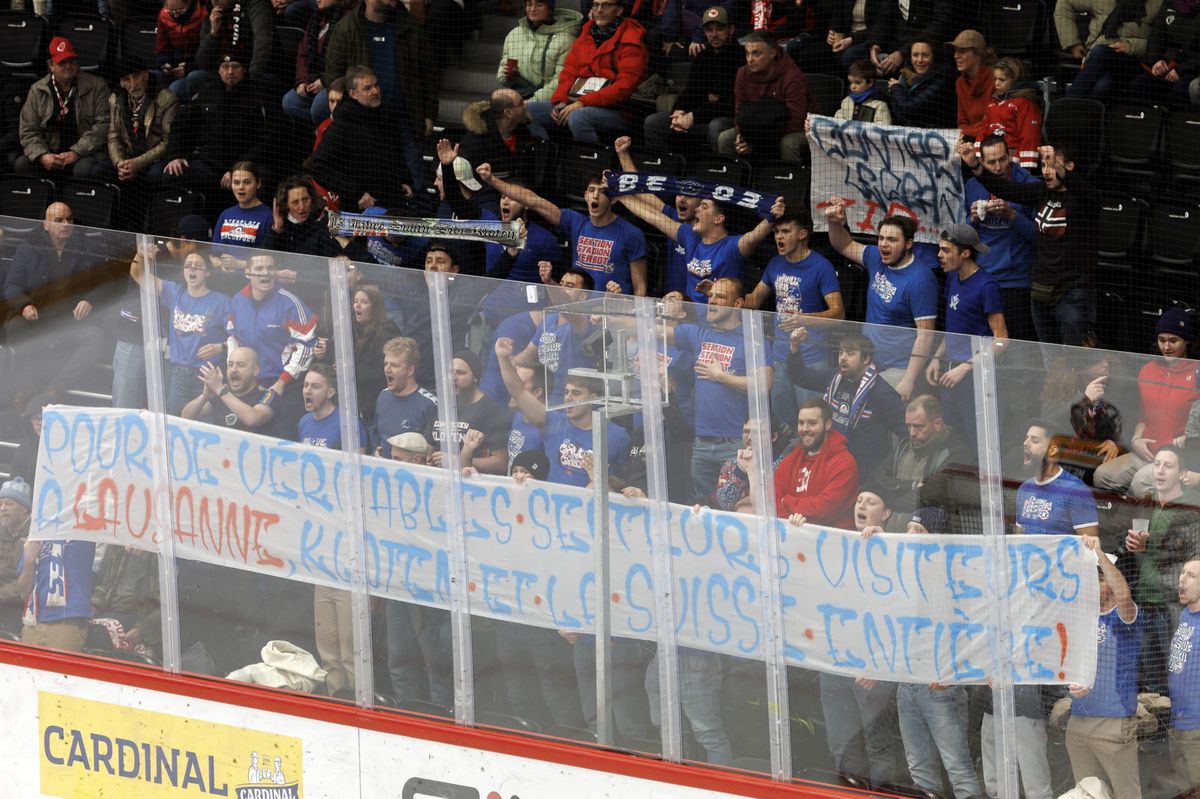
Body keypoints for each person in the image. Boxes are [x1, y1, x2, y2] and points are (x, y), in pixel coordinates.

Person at [961, 141, 1103, 347]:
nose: (1046, 171)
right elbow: (1004, 188)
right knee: (1048, 360)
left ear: (1068, 167)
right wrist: (975, 165)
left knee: (1074, 363)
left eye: (1052, 165)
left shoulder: (1086, 199)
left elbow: (1084, 191)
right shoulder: (1041, 191)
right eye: (1044, 166)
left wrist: (1058, 168)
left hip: (1072, 294)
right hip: (1040, 292)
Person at [613, 142, 783, 302]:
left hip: (718, 319)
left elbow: (755, 236)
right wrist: (619, 194)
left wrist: (772, 216)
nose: (697, 210)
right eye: (679, 194)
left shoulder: (733, 247)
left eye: (703, 206)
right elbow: (651, 214)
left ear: (719, 218)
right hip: (685, 310)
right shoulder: (690, 235)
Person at [824, 199, 938, 401]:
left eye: (892, 240)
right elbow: (845, 245)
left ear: (909, 243)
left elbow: (926, 335)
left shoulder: (921, 279)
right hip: (870, 363)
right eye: (882, 238)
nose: (884, 244)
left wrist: (909, 379)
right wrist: (834, 223)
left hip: (898, 368)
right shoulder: (877, 257)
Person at [478, 162, 648, 295]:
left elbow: (640, 288)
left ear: (613, 199)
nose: (595, 195)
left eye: (602, 192)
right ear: (585, 196)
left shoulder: (631, 234)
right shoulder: (575, 222)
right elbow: (533, 201)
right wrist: (492, 180)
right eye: (591, 190)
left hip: (612, 311)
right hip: (578, 307)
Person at [3, 202, 110, 400]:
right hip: (37, 321)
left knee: (95, 337)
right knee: (15, 326)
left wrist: (89, 300)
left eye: (69, 219)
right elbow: (12, 286)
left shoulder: (87, 248)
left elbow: (107, 283)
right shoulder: (28, 248)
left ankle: (54, 388)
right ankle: (26, 389)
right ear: (46, 224)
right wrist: (25, 305)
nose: (66, 224)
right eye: (58, 220)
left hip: (71, 322)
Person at [1065, 536, 1142, 799]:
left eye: (1095, 578)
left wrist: (1098, 554)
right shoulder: (1079, 615)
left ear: (1108, 581)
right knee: (1086, 793)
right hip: (1079, 719)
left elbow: (1123, 595)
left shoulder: (1125, 615)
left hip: (1113, 722)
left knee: (1126, 794)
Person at [1094, 308, 1200, 494]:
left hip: (1176, 456)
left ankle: (1151, 520)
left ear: (1187, 341)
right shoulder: (1148, 369)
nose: (1167, 347)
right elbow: (1143, 413)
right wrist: (1135, 440)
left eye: (1173, 341)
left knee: (1140, 482)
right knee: (1103, 476)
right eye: (1162, 340)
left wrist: (1178, 443)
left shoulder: (1197, 373)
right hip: (1146, 449)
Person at [1122, 444, 1200, 694]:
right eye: (1156, 464)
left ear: (1182, 472)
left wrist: (1149, 541)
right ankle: (1156, 724)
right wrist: (1130, 543)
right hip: (1145, 599)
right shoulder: (1147, 500)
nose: (1160, 471)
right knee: (1151, 675)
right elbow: (1136, 543)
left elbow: (1192, 553)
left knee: (1177, 671)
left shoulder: (1192, 505)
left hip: (1175, 605)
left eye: (1168, 465)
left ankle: (1176, 727)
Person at [925, 223, 1008, 451]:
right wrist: (936, 357)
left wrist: (966, 367)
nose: (939, 256)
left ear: (965, 253)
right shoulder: (952, 277)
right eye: (939, 249)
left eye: (946, 250)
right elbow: (955, 327)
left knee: (977, 440)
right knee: (952, 438)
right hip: (949, 372)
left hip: (975, 377)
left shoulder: (986, 286)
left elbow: (1001, 339)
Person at [527, 0, 649, 143]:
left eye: (606, 5)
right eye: (596, 5)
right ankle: (549, 154)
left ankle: (590, 163)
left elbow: (624, 87)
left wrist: (582, 102)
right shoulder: (585, 35)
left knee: (578, 117)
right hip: (577, 101)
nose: (599, 10)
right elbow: (569, 73)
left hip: (618, 110)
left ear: (619, 10)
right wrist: (560, 101)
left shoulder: (631, 40)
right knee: (527, 110)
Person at [786, 331, 907, 472]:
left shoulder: (882, 393)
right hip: (829, 459)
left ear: (866, 358)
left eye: (850, 353)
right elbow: (800, 376)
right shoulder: (834, 377)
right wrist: (795, 348)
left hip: (863, 470)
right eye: (841, 353)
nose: (843, 358)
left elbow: (906, 430)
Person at [130, 248, 230, 416]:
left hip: (207, 376)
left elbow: (240, 338)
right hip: (178, 375)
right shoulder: (175, 292)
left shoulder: (222, 302)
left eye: (198, 265)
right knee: (176, 422)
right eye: (188, 265)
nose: (192, 269)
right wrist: (140, 256)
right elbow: (137, 275)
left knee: (205, 427)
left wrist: (222, 346)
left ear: (208, 273)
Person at [159, 54, 279, 192]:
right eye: (225, 67)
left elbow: (270, 137)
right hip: (209, 164)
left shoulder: (261, 96)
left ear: (244, 69)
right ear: (219, 70)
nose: (230, 72)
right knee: (172, 173)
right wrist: (175, 156)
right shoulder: (206, 93)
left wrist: (240, 168)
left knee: (262, 180)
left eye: (235, 67)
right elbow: (180, 125)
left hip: (247, 164)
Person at [322, 0, 436, 140]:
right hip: (362, 125)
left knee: (413, 162)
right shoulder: (346, 28)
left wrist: (429, 114)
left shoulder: (411, 27)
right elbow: (335, 78)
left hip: (405, 122)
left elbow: (428, 75)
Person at [965, 134, 1040, 345]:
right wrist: (972, 219)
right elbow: (964, 237)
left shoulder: (1029, 186)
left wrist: (1013, 216)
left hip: (1018, 281)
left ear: (1011, 156)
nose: (998, 167)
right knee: (986, 346)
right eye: (991, 162)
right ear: (981, 162)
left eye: (1002, 159)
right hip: (984, 278)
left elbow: (1039, 237)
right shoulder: (972, 185)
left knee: (1017, 347)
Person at [310, 65, 415, 212]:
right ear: (353, 93)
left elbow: (397, 154)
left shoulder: (388, 117)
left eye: (376, 85)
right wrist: (356, 192)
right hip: (360, 213)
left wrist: (404, 179)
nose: (375, 91)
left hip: (394, 206)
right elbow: (318, 167)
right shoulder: (341, 126)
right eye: (367, 88)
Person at [642, 6, 743, 157]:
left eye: (719, 29)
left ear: (732, 29)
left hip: (725, 118)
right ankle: (663, 168)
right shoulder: (703, 56)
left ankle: (720, 173)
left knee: (716, 126)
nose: (714, 35)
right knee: (653, 122)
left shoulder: (740, 57)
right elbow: (691, 91)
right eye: (709, 30)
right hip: (698, 115)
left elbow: (729, 104)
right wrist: (678, 112)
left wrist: (693, 116)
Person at [16, 38, 111, 179]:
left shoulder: (97, 86)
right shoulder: (37, 90)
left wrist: (76, 152)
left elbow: (104, 125)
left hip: (86, 153)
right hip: (50, 153)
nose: (68, 66)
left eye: (71, 61)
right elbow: (28, 130)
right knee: (22, 164)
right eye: (62, 62)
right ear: (51, 65)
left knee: (84, 169)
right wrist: (42, 155)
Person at [718, 32, 817, 164]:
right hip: (759, 129)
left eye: (756, 53)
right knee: (725, 138)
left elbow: (797, 121)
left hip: (801, 130)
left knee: (789, 143)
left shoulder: (793, 76)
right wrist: (744, 135)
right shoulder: (742, 73)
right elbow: (739, 112)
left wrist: (755, 140)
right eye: (747, 54)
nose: (750, 59)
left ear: (772, 53)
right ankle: (735, 182)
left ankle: (789, 181)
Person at [104, 56, 179, 193]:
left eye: (136, 76)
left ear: (146, 75)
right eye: (127, 79)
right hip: (128, 156)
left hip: (156, 158)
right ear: (121, 83)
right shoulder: (115, 100)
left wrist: (137, 164)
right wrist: (119, 163)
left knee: (154, 175)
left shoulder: (167, 99)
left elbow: (167, 141)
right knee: (101, 170)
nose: (133, 84)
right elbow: (113, 135)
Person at [437, 349, 512, 475]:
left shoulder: (490, 410)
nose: (453, 378)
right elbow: (429, 446)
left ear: (475, 377)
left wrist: (456, 460)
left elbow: (502, 462)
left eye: (460, 373)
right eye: (450, 372)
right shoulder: (443, 405)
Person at [16, 535, 96, 653]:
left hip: (67, 622)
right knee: (26, 671)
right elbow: (23, 593)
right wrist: (29, 561)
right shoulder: (36, 538)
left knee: (58, 670)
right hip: (33, 622)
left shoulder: (82, 535)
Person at [1016, 431, 1101, 538]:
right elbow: (1019, 537)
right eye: (1026, 438)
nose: (1025, 443)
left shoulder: (1076, 490)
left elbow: (1090, 545)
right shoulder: (1025, 488)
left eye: (1034, 440)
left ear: (1052, 450)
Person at [496, 0, 584, 103]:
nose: (533, 9)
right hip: (517, 93)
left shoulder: (565, 39)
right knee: (496, 100)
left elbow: (560, 81)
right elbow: (503, 68)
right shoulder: (515, 34)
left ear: (549, 8)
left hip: (547, 100)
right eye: (529, 4)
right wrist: (508, 74)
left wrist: (532, 101)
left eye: (539, 5)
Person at [181, 346, 283, 434]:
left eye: (241, 365)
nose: (234, 369)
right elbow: (186, 417)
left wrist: (220, 389)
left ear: (255, 371)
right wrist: (204, 397)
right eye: (230, 365)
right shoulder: (223, 393)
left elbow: (252, 419)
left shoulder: (267, 394)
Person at [281, 0, 347, 125]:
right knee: (289, 102)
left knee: (318, 106)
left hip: (335, 82)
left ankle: (327, 130)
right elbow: (303, 53)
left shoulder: (346, 21)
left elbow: (344, 62)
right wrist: (302, 81)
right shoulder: (316, 18)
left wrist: (324, 81)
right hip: (313, 80)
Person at [459, 89, 547, 182]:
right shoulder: (474, 142)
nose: (526, 105)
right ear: (508, 113)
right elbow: (467, 181)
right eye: (521, 103)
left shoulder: (525, 133)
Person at [1130, 0, 1200, 111]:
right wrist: (1157, 60)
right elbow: (1157, 35)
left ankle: (1174, 126)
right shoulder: (1170, 3)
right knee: (1140, 83)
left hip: (1191, 69)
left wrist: (1180, 70)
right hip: (1166, 64)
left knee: (1181, 88)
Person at [375, 337, 439, 458]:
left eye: (394, 365)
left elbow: (432, 451)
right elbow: (377, 436)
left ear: (410, 370)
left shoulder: (430, 404)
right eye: (385, 364)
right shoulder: (382, 396)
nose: (387, 369)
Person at [980, 57, 1042, 169]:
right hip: (991, 159)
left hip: (1014, 163)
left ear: (1015, 81)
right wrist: (979, 155)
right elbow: (983, 131)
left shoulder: (1025, 104)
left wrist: (1024, 167)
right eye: (995, 79)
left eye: (1002, 80)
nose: (997, 84)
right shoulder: (993, 103)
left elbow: (1029, 136)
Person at [261, 176, 340, 258]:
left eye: (305, 199)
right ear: (286, 204)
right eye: (295, 202)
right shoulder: (277, 226)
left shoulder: (324, 220)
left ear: (311, 199)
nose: (302, 207)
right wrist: (276, 229)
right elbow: (262, 258)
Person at [886, 38, 957, 129]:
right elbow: (899, 114)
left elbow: (909, 109)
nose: (920, 60)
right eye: (915, 55)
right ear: (910, 58)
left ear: (933, 57)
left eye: (925, 55)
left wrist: (896, 88)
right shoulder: (904, 78)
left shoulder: (941, 80)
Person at [212, 160, 274, 251]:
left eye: (247, 182)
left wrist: (240, 263)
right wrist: (216, 260)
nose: (241, 187)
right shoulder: (225, 214)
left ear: (258, 183)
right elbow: (214, 250)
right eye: (236, 182)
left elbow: (268, 256)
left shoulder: (269, 216)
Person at [157, 0, 209, 100]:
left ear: (189, 2)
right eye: (171, 11)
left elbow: (207, 53)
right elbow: (161, 48)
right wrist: (165, 65)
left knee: (175, 89)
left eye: (180, 10)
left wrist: (188, 68)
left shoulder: (205, 14)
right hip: (174, 67)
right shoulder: (163, 15)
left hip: (197, 67)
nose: (175, 16)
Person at [0, 478, 32, 634]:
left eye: (9, 503)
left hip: (20, 608)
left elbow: (26, 583)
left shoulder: (35, 537)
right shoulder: (1, 531)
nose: (3, 508)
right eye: (0, 504)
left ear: (25, 509)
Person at [952, 29, 995, 140]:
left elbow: (993, 121)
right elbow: (962, 121)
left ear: (977, 55)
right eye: (955, 51)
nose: (956, 56)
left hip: (992, 139)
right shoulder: (959, 83)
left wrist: (967, 133)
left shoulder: (995, 79)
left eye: (962, 51)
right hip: (970, 139)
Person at [835, 59, 891, 124]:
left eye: (857, 83)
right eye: (850, 83)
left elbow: (883, 129)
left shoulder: (880, 105)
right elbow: (837, 122)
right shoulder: (847, 101)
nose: (853, 86)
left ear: (870, 82)